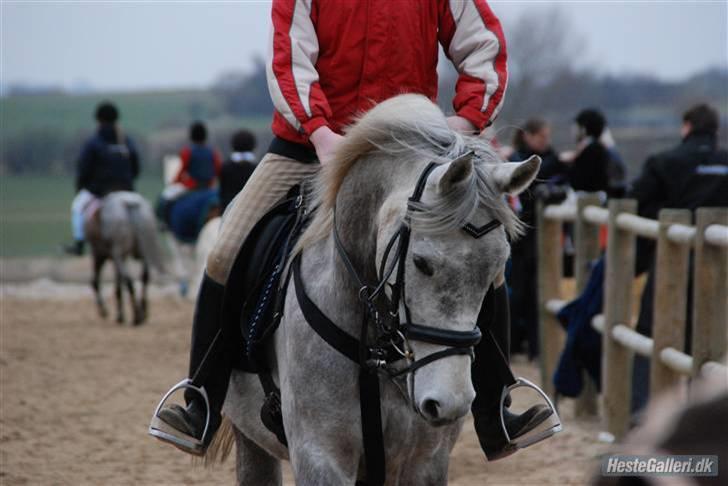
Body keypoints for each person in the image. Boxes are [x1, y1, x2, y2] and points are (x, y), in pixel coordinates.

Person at [152, 0, 555, 461]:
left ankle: (496, 408)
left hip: (408, 152)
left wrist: (463, 122)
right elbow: (291, 60)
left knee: (482, 258)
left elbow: (483, 48)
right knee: (225, 250)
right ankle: (201, 398)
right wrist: (322, 134)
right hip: (310, 146)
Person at [629, 103, 728, 414]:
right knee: (716, 340)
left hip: (673, 260)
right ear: (715, 130)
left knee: (653, 331)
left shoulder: (664, 161)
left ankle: (644, 413)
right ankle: (707, 416)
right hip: (723, 265)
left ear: (686, 126)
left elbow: (638, 202)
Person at [507, 118, 565, 358]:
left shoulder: (553, 160)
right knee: (517, 294)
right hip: (519, 238)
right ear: (528, 136)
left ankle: (537, 347)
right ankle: (513, 345)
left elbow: (562, 181)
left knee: (537, 294)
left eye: (546, 137)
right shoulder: (516, 161)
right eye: (541, 137)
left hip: (541, 237)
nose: (545, 142)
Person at [64, 102, 140, 256]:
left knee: (77, 207)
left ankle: (79, 244)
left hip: (100, 191)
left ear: (98, 119)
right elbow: (136, 166)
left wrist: (82, 186)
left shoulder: (94, 142)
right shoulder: (126, 141)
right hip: (126, 188)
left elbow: (83, 169)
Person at [561, 109, 611, 194]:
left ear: (583, 129)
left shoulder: (591, 150)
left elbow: (579, 181)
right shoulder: (599, 147)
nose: (573, 130)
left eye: (576, 126)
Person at [174, 121, 222, 191]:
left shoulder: (187, 152)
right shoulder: (213, 153)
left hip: (192, 187)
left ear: (191, 136)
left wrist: (174, 182)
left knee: (166, 200)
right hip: (209, 186)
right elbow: (218, 171)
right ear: (205, 136)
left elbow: (182, 171)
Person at [219, 130, 257, 213]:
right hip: (250, 210)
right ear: (252, 146)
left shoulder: (225, 167)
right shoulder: (256, 168)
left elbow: (222, 192)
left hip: (228, 210)